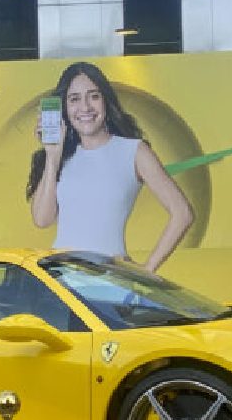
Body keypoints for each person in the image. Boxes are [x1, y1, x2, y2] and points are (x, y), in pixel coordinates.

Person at [26, 62, 193, 273]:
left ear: (105, 101)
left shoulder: (134, 151)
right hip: (63, 280)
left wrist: (147, 270)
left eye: (93, 96)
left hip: (110, 281)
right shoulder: (57, 156)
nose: (85, 107)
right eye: (74, 99)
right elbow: (42, 219)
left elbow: (183, 213)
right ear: (64, 108)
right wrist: (52, 157)